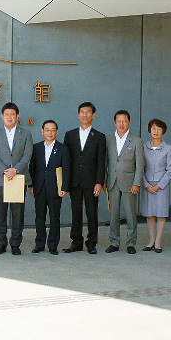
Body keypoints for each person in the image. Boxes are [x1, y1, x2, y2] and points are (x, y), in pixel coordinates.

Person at [0, 102, 33, 256]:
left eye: (12, 114)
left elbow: (28, 154)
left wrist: (16, 170)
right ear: (2, 116)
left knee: (17, 213)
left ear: (17, 116)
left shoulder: (25, 133)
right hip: (0, 180)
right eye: (6, 114)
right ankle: (1, 243)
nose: (9, 117)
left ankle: (15, 244)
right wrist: (5, 170)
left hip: (18, 178)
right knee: (0, 213)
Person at [63, 102, 106, 254]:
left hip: (91, 182)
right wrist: (65, 183)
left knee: (92, 213)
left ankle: (92, 243)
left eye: (88, 112)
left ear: (93, 115)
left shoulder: (99, 137)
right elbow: (66, 161)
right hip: (75, 181)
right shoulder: (70, 135)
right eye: (82, 112)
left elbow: (102, 161)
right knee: (76, 213)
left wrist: (99, 182)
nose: (85, 114)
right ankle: (76, 242)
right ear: (78, 115)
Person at [105, 110, 144, 255]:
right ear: (115, 123)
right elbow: (105, 162)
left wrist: (136, 183)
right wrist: (104, 180)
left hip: (129, 183)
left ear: (129, 122)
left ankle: (131, 243)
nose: (121, 124)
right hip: (112, 182)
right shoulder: (108, 139)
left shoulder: (136, 140)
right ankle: (114, 242)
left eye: (124, 121)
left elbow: (140, 165)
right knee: (113, 215)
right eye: (119, 121)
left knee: (130, 215)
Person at [29, 120, 70, 255]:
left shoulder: (63, 148)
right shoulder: (36, 148)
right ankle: (39, 244)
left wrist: (65, 187)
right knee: (39, 217)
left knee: (54, 217)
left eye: (53, 130)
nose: (50, 132)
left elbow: (66, 169)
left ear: (57, 132)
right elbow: (32, 168)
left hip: (55, 188)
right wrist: (31, 185)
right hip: (39, 187)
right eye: (47, 129)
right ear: (42, 131)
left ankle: (53, 245)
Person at [140, 119, 171, 253]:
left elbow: (169, 169)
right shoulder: (143, 147)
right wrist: (146, 184)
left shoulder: (168, 148)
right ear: (149, 130)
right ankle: (151, 240)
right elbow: (140, 168)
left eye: (159, 129)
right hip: (147, 185)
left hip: (161, 186)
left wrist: (159, 185)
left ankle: (158, 242)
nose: (156, 131)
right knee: (149, 214)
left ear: (163, 131)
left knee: (161, 214)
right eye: (153, 128)